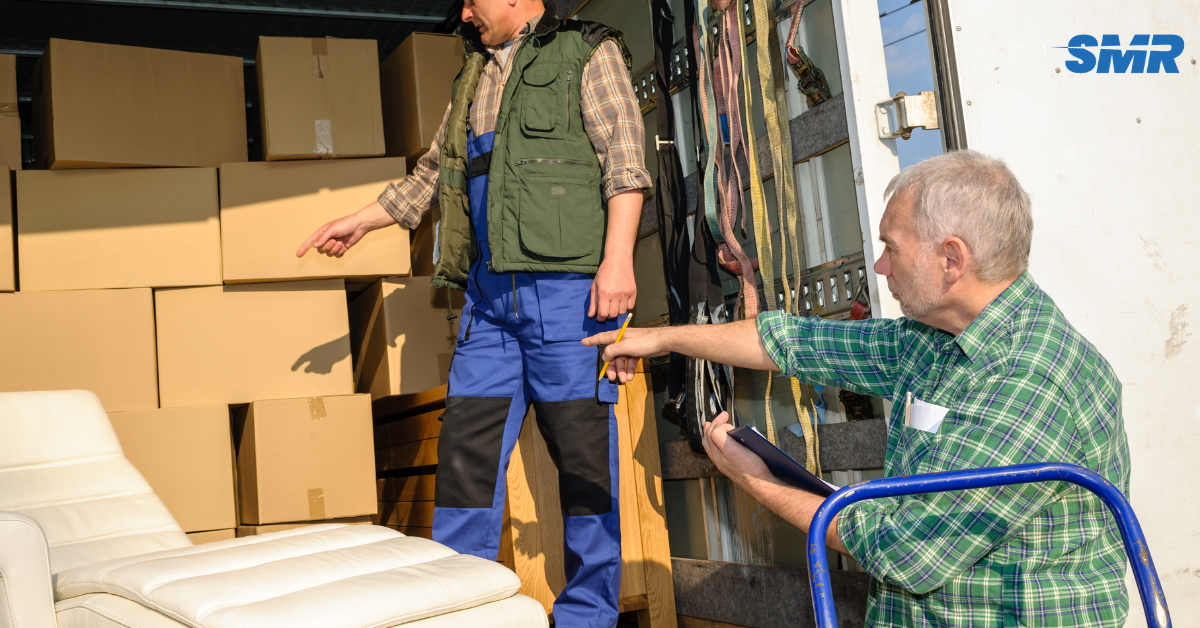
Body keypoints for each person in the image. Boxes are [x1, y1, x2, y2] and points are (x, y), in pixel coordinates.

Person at [585, 151, 1132, 627]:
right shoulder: (937, 337)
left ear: (951, 258)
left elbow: (907, 549)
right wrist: (662, 339)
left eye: (892, 248)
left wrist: (755, 478)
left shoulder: (1027, 381)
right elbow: (796, 342)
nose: (879, 265)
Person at [297, 0, 650, 625]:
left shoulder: (587, 51)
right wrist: (360, 221)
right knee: (464, 462)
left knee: (583, 465)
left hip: (568, 298)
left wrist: (617, 263)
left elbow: (624, 163)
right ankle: (458, 612)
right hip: (489, 305)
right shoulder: (474, 75)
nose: (464, 13)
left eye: (471, 0)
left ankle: (587, 617)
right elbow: (434, 172)